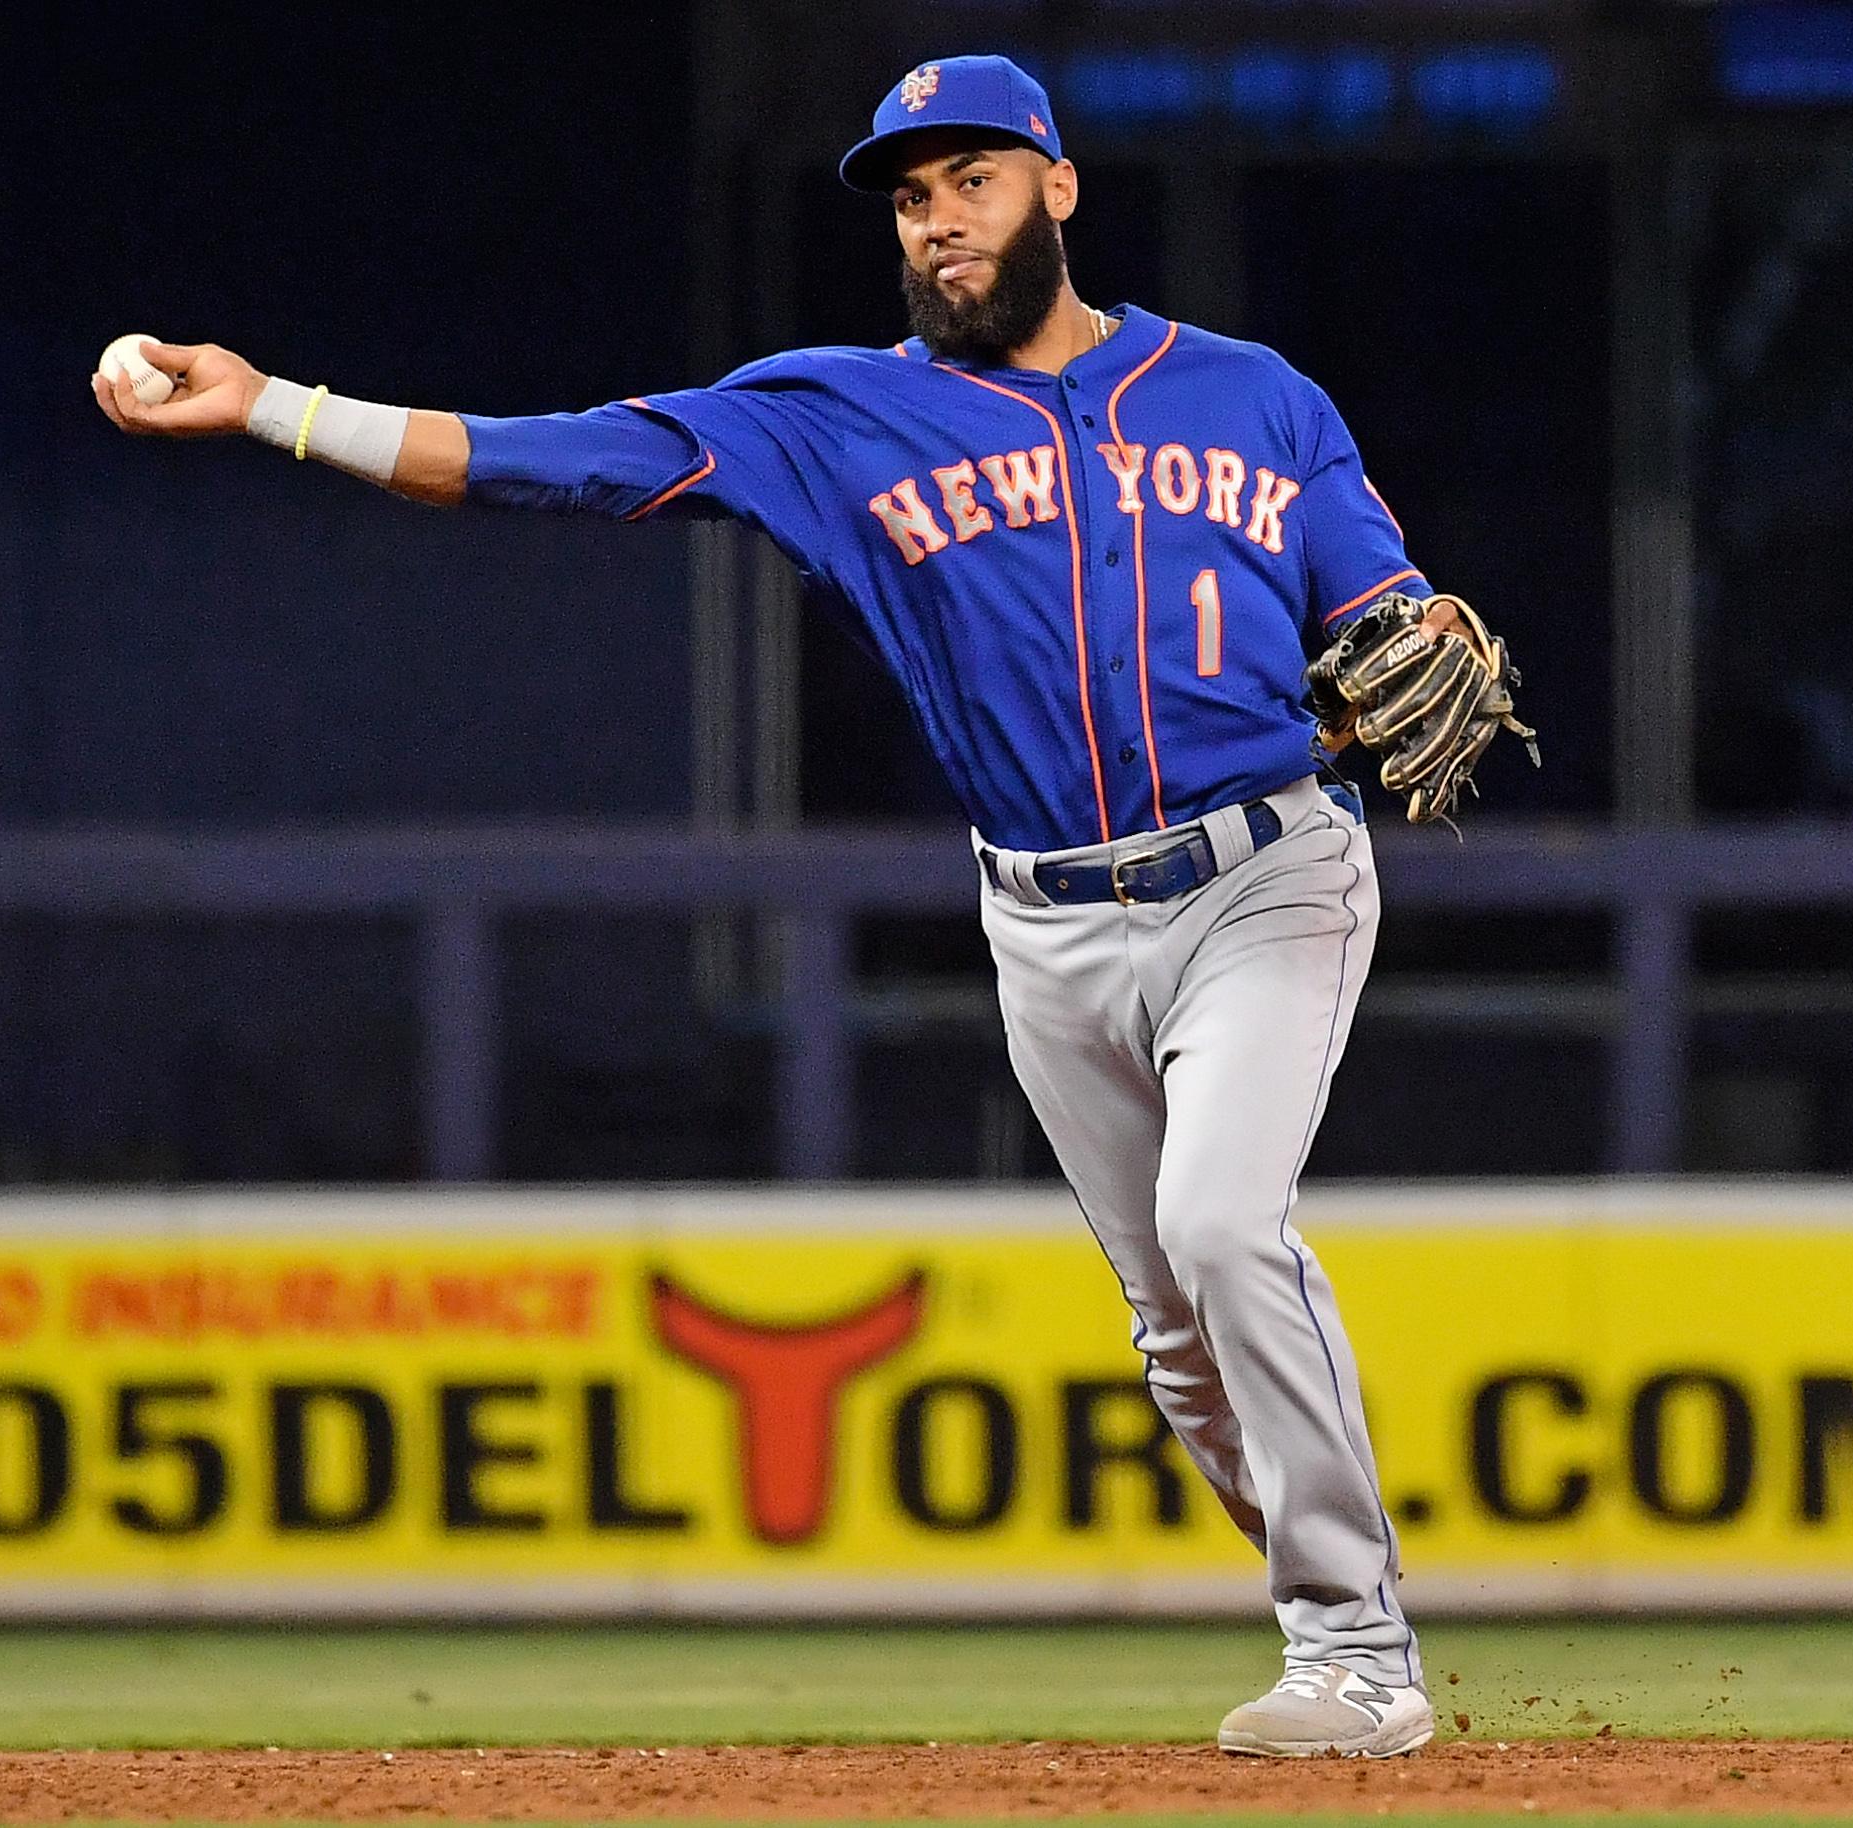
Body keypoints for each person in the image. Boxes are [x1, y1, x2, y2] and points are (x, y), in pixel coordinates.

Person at [95, 53, 1527, 1759]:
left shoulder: (1254, 396)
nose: (938, 222)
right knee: (1176, 1338)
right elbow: (539, 460)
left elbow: (1384, 610)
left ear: (1058, 188)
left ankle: (1358, 1650)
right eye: (912, 198)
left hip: (1268, 875)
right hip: (1047, 921)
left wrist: (1416, 629)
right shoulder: (833, 419)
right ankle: (1320, 1612)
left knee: (1226, 1227)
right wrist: (271, 404)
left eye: (971, 181)